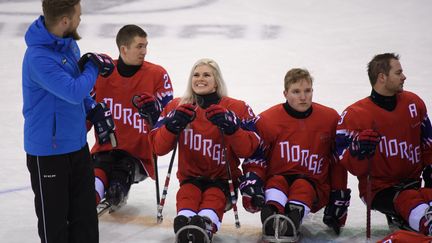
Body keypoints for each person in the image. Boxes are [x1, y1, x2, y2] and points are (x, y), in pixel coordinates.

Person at [22, 0, 115, 242]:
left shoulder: (68, 45)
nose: (80, 19)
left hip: (76, 145)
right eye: (78, 16)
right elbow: (73, 90)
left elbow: (78, 93)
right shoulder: (38, 58)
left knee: (85, 219)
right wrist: (93, 67)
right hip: (48, 153)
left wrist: (91, 107)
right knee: (55, 226)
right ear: (65, 21)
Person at [149, 58, 260, 242]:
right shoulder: (177, 107)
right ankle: (184, 223)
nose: (200, 79)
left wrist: (233, 129)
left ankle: (206, 223)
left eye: (207, 75)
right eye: (196, 74)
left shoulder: (236, 108)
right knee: (187, 196)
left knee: (213, 197)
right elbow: (158, 148)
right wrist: (171, 127)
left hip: (222, 181)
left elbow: (249, 149)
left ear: (217, 82)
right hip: (190, 179)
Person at [238, 68, 349, 242]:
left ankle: (292, 219)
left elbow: (338, 162)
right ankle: (271, 215)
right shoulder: (267, 120)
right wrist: (254, 184)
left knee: (302, 185)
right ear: (285, 93)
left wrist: (338, 196)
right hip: (277, 178)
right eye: (296, 92)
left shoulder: (330, 119)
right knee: (277, 182)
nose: (303, 97)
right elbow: (256, 158)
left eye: (307, 91)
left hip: (314, 185)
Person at [336, 53, 432, 235]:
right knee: (411, 201)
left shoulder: (414, 103)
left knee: (420, 197)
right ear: (382, 77)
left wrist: (430, 167)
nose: (404, 77)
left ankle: (408, 220)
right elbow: (348, 163)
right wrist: (357, 151)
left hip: (414, 182)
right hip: (379, 189)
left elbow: (428, 142)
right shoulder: (355, 114)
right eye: (398, 72)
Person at [90, 24, 174, 209]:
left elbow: (170, 116)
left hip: (139, 157)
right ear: (123, 49)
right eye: (139, 46)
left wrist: (155, 111)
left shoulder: (157, 75)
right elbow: (86, 113)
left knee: (120, 177)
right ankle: (90, 199)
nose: (144, 51)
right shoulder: (102, 73)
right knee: (98, 172)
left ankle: (117, 191)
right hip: (105, 149)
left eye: (145, 45)